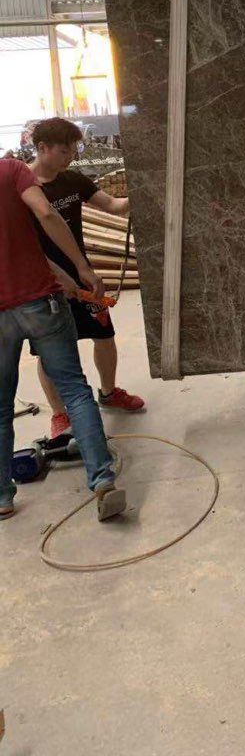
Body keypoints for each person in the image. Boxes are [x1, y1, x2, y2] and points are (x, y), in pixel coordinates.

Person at [0, 156, 126, 521]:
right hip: (41, 303)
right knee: (75, 391)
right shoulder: (12, 171)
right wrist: (81, 268)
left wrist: (65, 278)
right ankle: (102, 482)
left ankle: (3, 498)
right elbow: (46, 214)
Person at [28, 118, 145, 439]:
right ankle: (59, 414)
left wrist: (142, 189)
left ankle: (108, 392)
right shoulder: (23, 188)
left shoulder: (73, 180)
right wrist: (58, 276)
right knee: (49, 351)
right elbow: (23, 242)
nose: (71, 157)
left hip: (83, 276)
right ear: (43, 148)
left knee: (103, 334)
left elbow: (114, 206)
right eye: (65, 151)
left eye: (74, 151)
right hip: (45, 284)